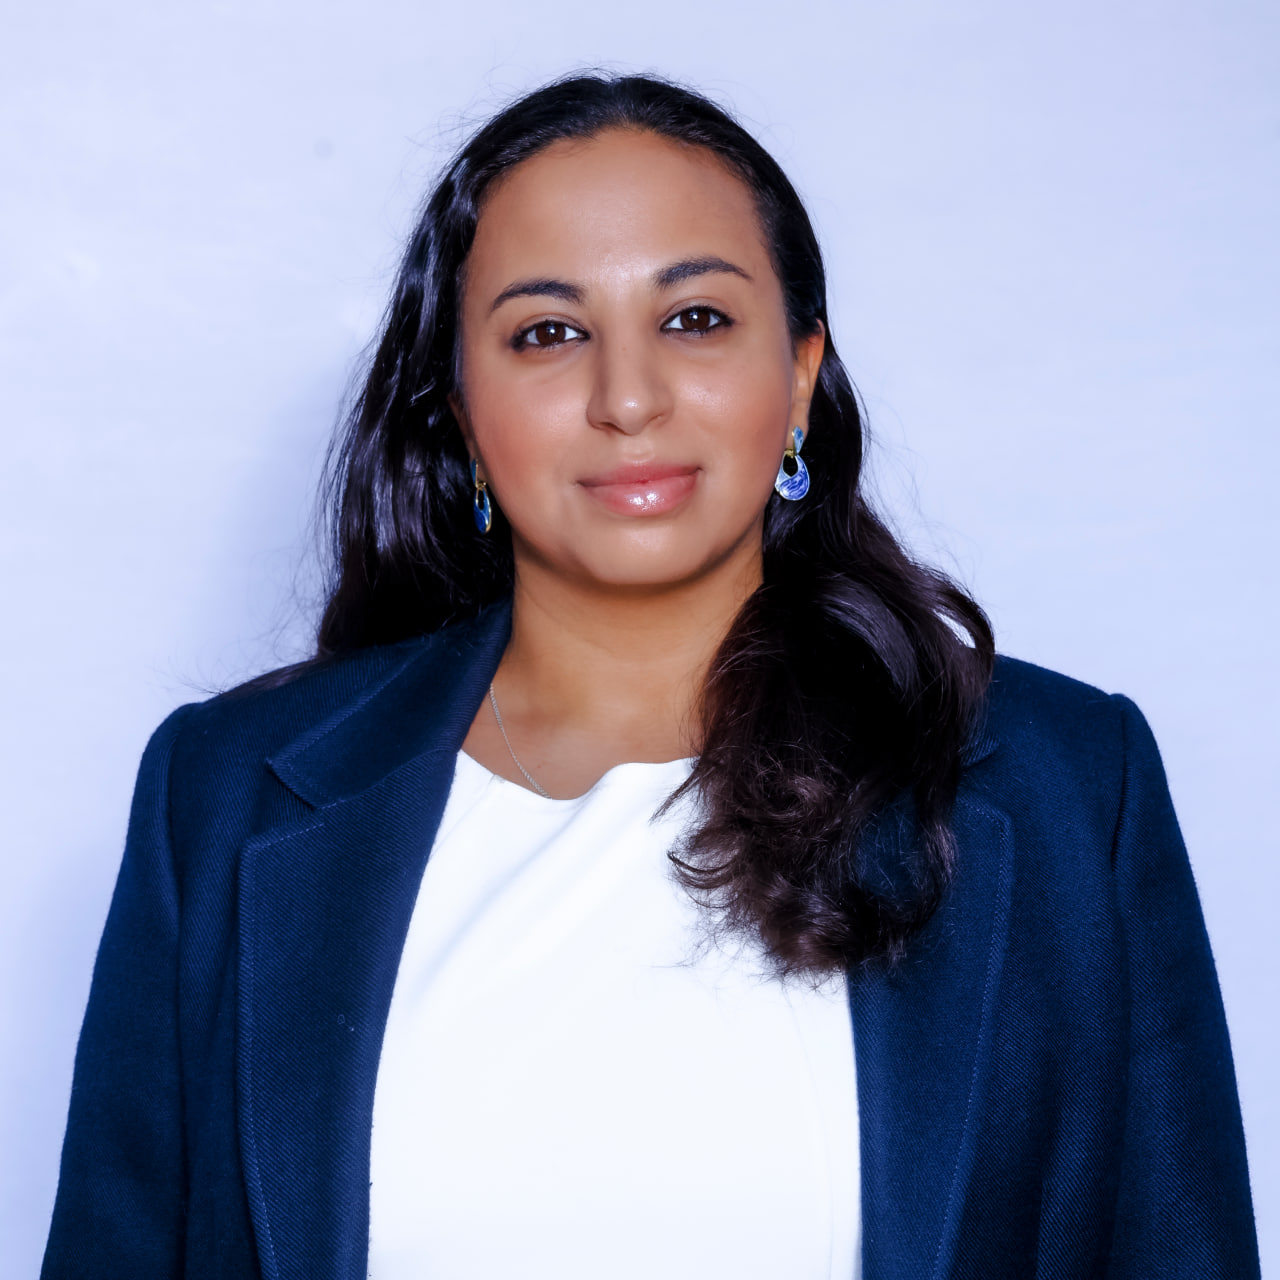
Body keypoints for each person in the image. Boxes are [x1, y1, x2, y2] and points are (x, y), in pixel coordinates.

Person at [41, 74, 1259, 1280]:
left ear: (797, 374)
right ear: (462, 411)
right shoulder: (225, 795)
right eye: (547, 333)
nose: (626, 399)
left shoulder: (1057, 787)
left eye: (694, 320)